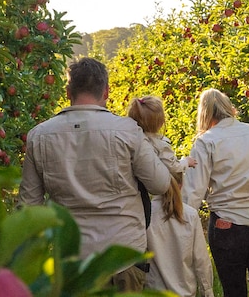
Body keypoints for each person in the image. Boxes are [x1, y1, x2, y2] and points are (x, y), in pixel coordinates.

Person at [19, 57, 172, 292]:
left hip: (72, 259)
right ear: (107, 91)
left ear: (68, 91)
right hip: (123, 253)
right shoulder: (127, 131)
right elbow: (160, 184)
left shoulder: (40, 136)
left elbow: (29, 206)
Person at [182, 88, 249, 297]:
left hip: (229, 226)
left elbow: (192, 194)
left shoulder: (206, 141)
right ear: (230, 109)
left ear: (204, 114)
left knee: (233, 291)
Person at [145, 175, 215, 297]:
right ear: (181, 185)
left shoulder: (145, 214)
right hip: (185, 292)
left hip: (153, 291)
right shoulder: (190, 215)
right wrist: (207, 291)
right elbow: (201, 259)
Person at [127, 95, 198, 179]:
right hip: (157, 187)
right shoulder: (160, 145)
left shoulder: (131, 141)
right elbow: (173, 166)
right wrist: (186, 162)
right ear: (160, 122)